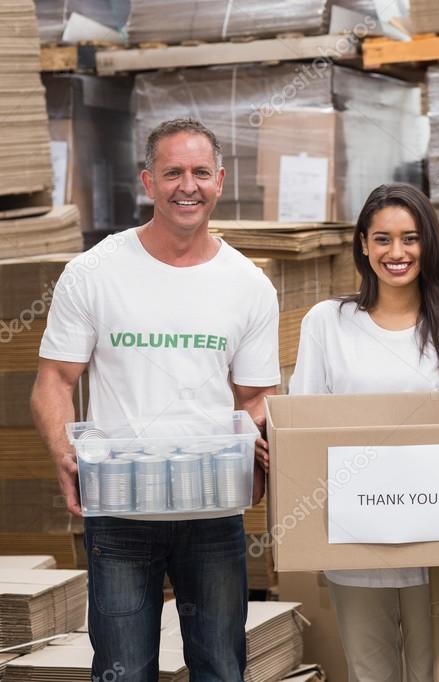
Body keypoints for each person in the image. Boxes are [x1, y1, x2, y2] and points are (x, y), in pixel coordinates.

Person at [30, 118, 279, 681]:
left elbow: (258, 395)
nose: (185, 186)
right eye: (171, 173)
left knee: (220, 667)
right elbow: (54, 380)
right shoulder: (94, 271)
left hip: (213, 510)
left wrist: (257, 443)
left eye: (198, 173)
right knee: (124, 668)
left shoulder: (248, 284)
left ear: (220, 180)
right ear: (148, 182)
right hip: (120, 504)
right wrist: (61, 451)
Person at [288, 183, 439, 682]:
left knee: (438, 672)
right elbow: (302, 426)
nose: (397, 253)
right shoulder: (328, 324)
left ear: (428, 243)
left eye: (410, 238)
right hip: (354, 535)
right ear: (363, 244)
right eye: (382, 239)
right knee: (369, 672)